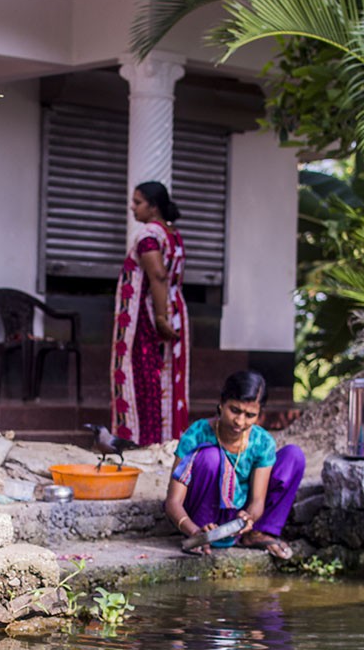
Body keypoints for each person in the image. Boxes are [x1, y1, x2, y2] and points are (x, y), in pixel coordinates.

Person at [164, 370, 305, 559]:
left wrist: (249, 517)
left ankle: (255, 534)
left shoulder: (262, 442)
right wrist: (195, 532)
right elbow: (173, 502)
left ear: (259, 414)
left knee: (293, 456)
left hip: (236, 519)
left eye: (250, 415)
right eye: (235, 410)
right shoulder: (196, 434)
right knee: (210, 457)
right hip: (201, 520)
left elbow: (257, 501)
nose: (240, 421)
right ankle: (205, 538)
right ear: (222, 403)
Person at [110, 181, 190, 445]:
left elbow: (158, 275)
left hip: (146, 317)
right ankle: (166, 439)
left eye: (138, 202)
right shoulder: (172, 234)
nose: (132, 207)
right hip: (175, 308)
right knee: (166, 378)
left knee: (144, 377)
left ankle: (141, 440)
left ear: (153, 207)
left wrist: (160, 317)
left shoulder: (149, 235)